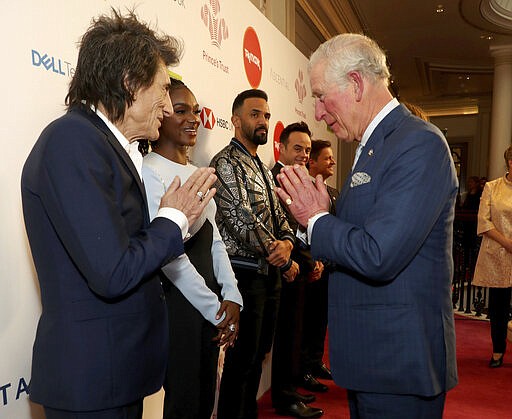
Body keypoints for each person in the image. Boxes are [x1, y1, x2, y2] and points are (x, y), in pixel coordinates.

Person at [21, 10, 217, 419]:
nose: (167, 108)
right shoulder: (73, 142)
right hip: (93, 381)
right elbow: (112, 271)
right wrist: (172, 221)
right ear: (129, 83)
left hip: (114, 372)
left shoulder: (104, 145)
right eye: (162, 91)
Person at [275, 33, 458, 419]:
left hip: (399, 364)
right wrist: (325, 216)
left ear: (356, 83)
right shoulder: (376, 145)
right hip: (373, 360)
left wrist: (316, 219)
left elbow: (379, 254)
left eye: (323, 96)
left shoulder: (419, 144)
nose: (319, 112)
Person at [142, 78, 243, 418]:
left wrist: (232, 294)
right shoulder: (149, 171)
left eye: (196, 111)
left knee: (204, 399)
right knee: (183, 400)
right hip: (178, 303)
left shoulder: (199, 171)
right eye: (180, 111)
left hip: (210, 303)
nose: (193, 118)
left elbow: (214, 239)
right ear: (161, 115)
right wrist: (214, 308)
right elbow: (170, 255)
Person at [210, 89, 295, 419]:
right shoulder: (225, 163)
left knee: (258, 356)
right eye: (255, 114)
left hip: (267, 274)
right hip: (242, 276)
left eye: (267, 115)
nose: (263, 121)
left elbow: (279, 212)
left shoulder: (261, 165)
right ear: (235, 120)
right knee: (241, 361)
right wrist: (283, 255)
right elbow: (238, 217)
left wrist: (287, 243)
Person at [270, 122, 324, 418]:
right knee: (287, 335)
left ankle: (290, 388)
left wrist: (314, 258)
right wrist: (303, 260)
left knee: (296, 332)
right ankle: (285, 396)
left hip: (300, 266)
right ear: (281, 148)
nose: (304, 154)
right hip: (284, 270)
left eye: (307, 149)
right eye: (298, 148)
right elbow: (284, 229)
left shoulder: (300, 179)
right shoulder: (276, 179)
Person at [300, 139, 338, 383]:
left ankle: (315, 363)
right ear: (312, 162)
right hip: (307, 269)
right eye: (327, 157)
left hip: (329, 269)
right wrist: (312, 262)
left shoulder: (333, 193)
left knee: (320, 321)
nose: (332, 161)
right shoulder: (303, 192)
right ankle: (302, 369)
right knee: (305, 322)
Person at [472, 146, 512, 368]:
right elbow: (483, 221)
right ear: (509, 163)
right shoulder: (492, 187)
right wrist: (506, 242)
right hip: (497, 254)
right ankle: (498, 350)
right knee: (499, 308)